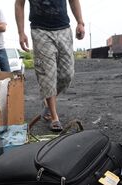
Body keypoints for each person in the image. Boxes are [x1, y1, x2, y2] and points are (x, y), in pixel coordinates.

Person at [15, 0, 85, 131]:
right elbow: (19, 4)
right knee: (47, 75)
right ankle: (54, 117)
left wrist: (80, 22)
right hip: (40, 31)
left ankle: (47, 102)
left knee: (67, 75)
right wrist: (21, 32)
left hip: (64, 28)